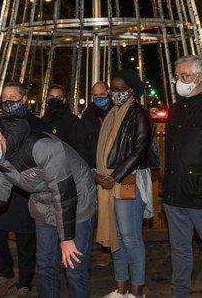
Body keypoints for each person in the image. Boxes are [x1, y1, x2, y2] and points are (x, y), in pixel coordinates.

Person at [0, 111, 97, 298]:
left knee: (74, 267)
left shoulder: (42, 147)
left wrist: (66, 239)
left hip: (76, 200)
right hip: (42, 204)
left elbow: (63, 192)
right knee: (46, 266)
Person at [162, 55, 202, 297]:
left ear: (200, 77)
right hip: (175, 195)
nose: (179, 81)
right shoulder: (175, 109)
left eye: (184, 76)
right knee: (180, 250)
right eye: (177, 76)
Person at [0, 81, 48, 297]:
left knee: (26, 240)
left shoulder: (37, 124)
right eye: (4, 97)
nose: (8, 100)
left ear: (23, 99)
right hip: (0, 186)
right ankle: (6, 273)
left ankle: (24, 282)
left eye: (13, 96)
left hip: (25, 189)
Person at [94, 69, 154, 298]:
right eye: (113, 89)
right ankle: (120, 291)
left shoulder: (139, 115)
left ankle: (137, 293)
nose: (114, 93)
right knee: (116, 237)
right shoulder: (112, 113)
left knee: (130, 237)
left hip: (128, 181)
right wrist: (98, 173)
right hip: (109, 181)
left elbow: (139, 151)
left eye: (119, 90)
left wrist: (114, 176)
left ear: (130, 91)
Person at [77, 81, 113, 267]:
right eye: (95, 96)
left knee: (115, 212)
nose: (99, 98)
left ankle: (113, 248)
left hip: (115, 170)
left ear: (108, 92)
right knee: (99, 213)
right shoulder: (88, 117)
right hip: (95, 171)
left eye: (102, 94)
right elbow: (82, 145)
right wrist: (91, 170)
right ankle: (104, 249)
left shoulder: (117, 111)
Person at [41, 84, 79, 149]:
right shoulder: (42, 121)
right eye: (51, 97)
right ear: (47, 99)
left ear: (64, 100)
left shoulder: (72, 121)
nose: (54, 100)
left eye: (58, 97)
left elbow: (76, 145)